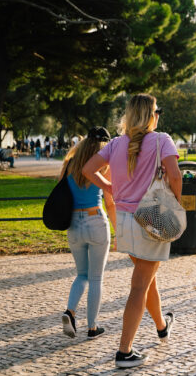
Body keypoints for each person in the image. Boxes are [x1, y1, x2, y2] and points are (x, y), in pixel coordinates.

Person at [83, 94, 181, 369]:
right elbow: (175, 175)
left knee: (147, 279)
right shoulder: (162, 140)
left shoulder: (115, 143)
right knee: (140, 286)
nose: (158, 116)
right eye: (157, 111)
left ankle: (161, 326)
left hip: (124, 220)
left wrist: (109, 187)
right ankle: (124, 351)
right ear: (150, 115)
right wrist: (176, 205)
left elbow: (88, 169)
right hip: (151, 217)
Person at [60, 127, 115, 341]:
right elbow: (110, 202)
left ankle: (70, 311)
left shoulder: (69, 164)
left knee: (81, 274)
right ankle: (92, 327)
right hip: (95, 220)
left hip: (74, 223)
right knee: (96, 277)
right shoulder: (104, 165)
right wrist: (118, 230)